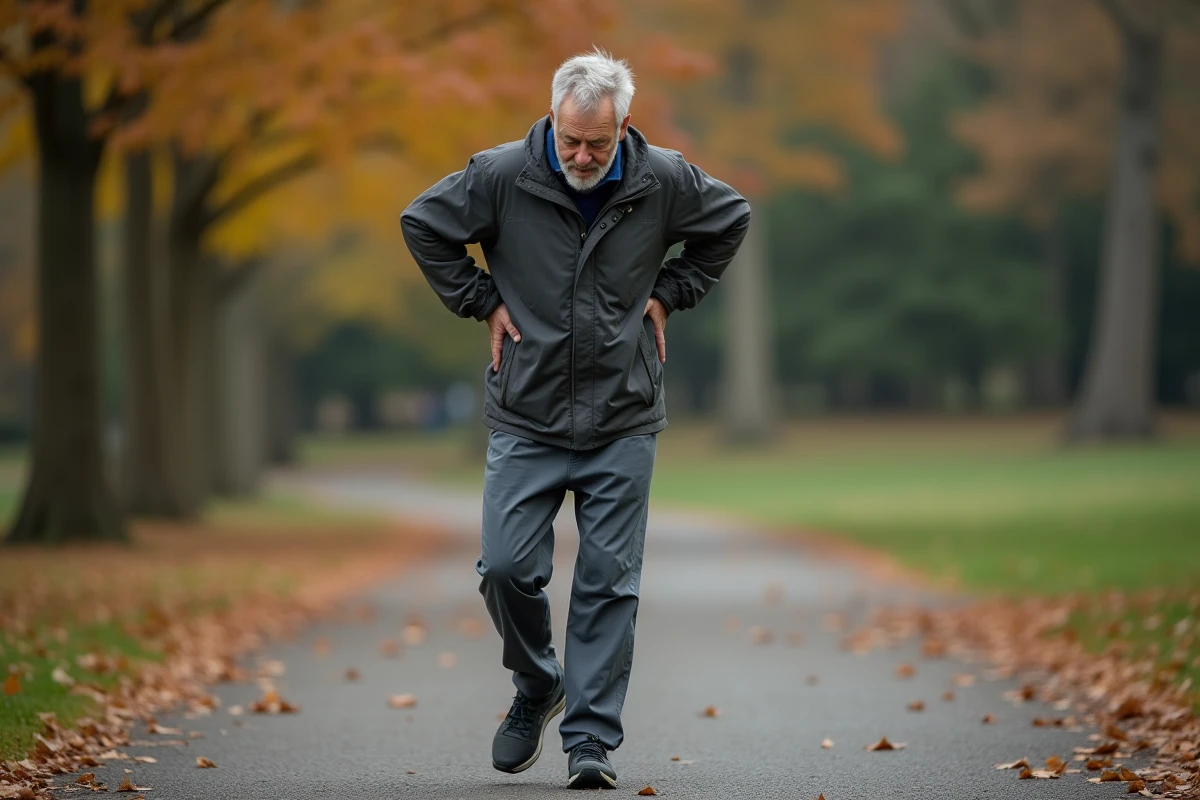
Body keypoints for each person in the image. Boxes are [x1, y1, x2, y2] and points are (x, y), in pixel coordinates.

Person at [400, 48, 750, 790]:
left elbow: (731, 219)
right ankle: (537, 683)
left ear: (625, 125)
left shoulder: (663, 179)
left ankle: (590, 740)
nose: (583, 156)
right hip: (525, 412)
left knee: (607, 582)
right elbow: (423, 223)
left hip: (623, 412)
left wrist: (671, 292)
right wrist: (482, 300)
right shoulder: (502, 175)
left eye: (598, 142)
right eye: (571, 140)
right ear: (552, 119)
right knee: (505, 569)